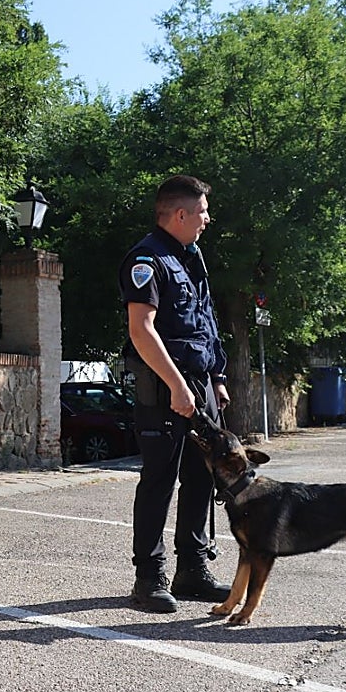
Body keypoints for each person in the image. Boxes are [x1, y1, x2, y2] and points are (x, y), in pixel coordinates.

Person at [119, 174, 232, 614]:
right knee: (159, 481)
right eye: (202, 211)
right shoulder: (147, 259)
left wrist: (216, 379)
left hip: (199, 383)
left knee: (202, 477)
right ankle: (148, 578)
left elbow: (205, 321)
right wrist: (177, 387)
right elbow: (141, 330)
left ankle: (193, 570)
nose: (207, 219)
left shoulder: (192, 257)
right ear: (180, 214)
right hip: (162, 386)